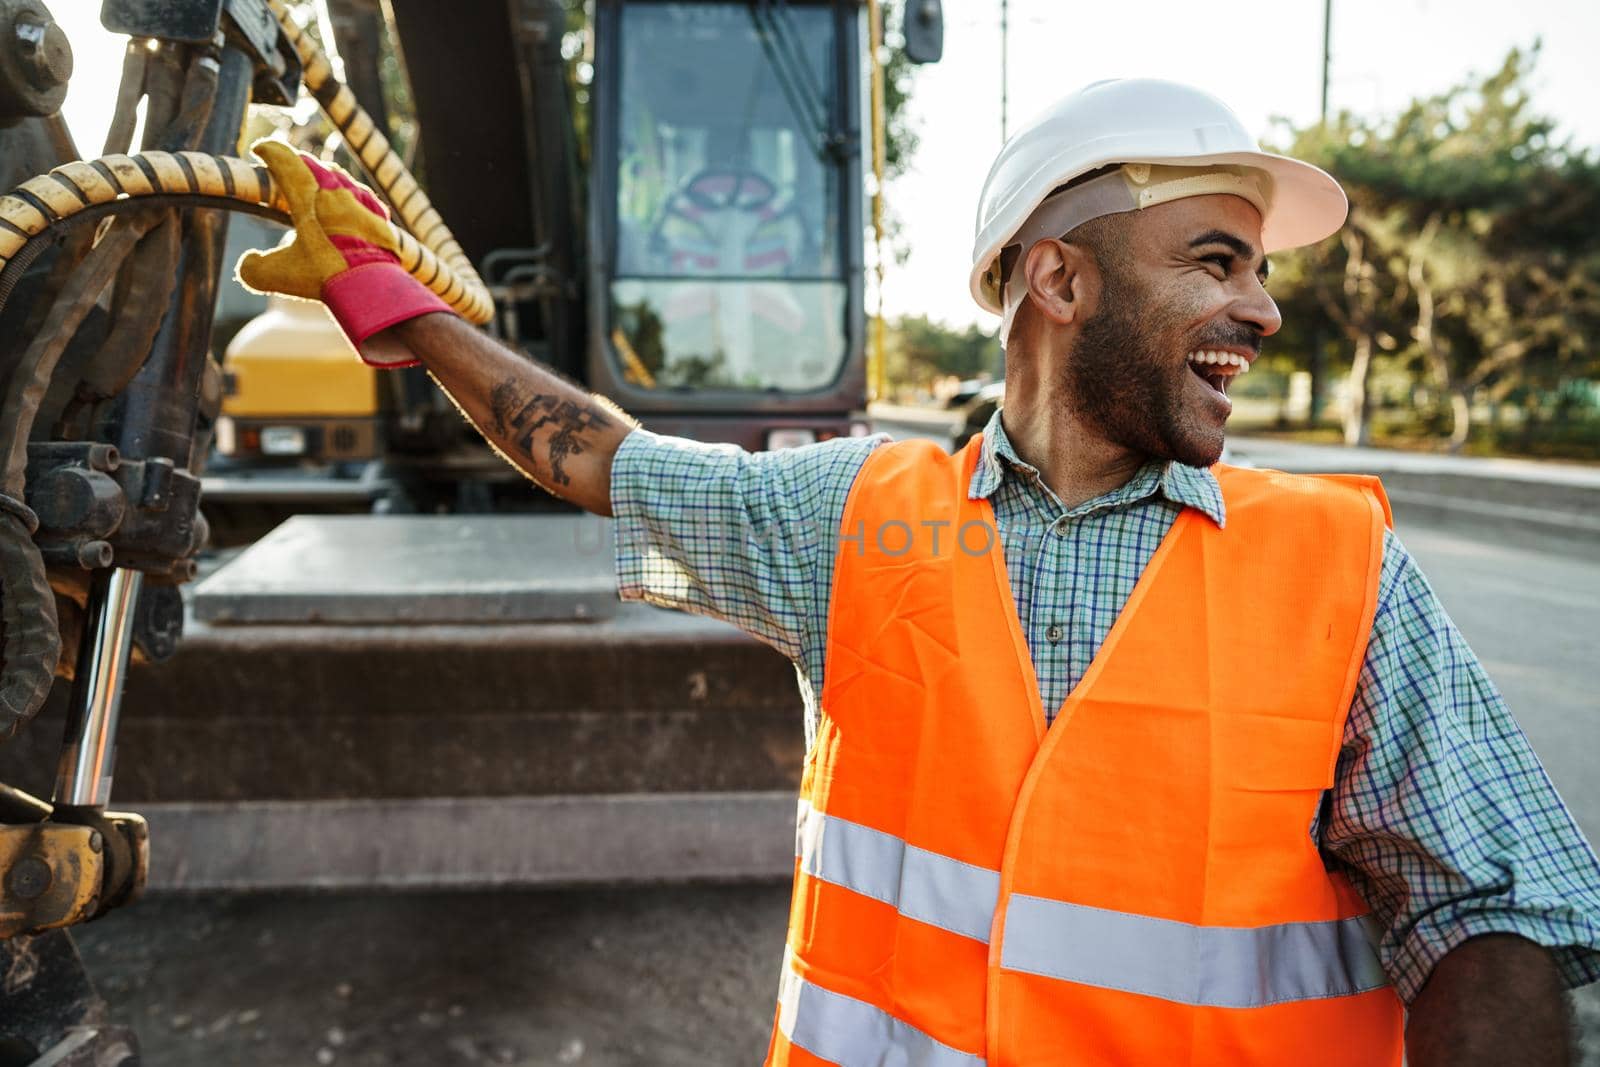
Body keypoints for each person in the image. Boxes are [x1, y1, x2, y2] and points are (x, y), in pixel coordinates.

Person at [238, 79, 1600, 1066]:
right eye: (1215, 260)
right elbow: (598, 457)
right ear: (1059, 281)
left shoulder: (1340, 565)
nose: (1263, 305)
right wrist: (393, 303)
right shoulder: (855, 516)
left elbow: (1490, 912)